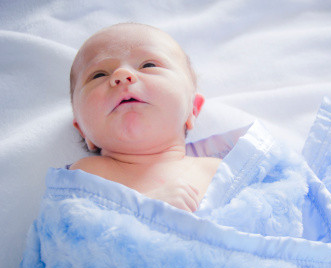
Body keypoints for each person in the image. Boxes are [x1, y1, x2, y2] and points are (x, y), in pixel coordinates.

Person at [70, 22, 221, 212]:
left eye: (148, 65)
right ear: (83, 129)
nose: (122, 75)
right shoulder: (86, 175)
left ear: (192, 110)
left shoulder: (221, 172)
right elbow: (70, 232)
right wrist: (145, 208)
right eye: (98, 75)